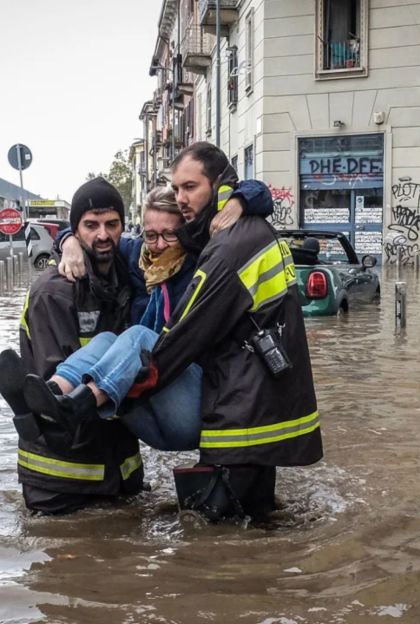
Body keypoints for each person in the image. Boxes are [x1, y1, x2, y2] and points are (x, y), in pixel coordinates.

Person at [1, 180, 275, 452]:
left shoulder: (204, 262)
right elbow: (90, 234)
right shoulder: (135, 256)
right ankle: (51, 397)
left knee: (139, 337)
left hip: (190, 411)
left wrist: (239, 202)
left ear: (186, 232)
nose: (158, 245)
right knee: (108, 339)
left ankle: (78, 406)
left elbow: (261, 192)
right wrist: (68, 241)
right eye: (151, 235)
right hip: (147, 401)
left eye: (169, 234)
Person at [130, 142, 323, 519]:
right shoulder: (240, 228)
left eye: (190, 187)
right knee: (257, 525)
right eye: (176, 189)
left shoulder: (229, 245)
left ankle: (78, 397)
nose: (181, 198)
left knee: (221, 540)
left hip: (241, 413)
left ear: (219, 186)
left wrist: (143, 379)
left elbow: (190, 329)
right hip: (259, 405)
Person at [0, 177, 142, 515]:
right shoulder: (55, 291)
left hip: (119, 471)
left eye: (112, 224)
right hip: (61, 479)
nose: (103, 235)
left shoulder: (128, 276)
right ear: (75, 230)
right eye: (91, 225)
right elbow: (46, 381)